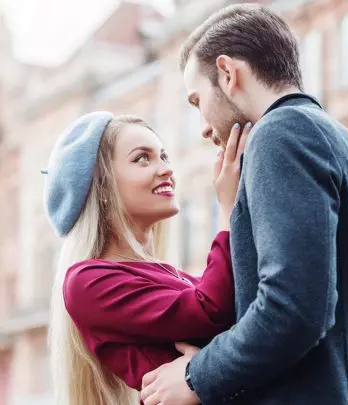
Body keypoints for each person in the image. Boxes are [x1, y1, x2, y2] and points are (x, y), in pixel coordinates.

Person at [141, 3, 348, 405]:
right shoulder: (337, 136)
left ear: (227, 74)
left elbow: (292, 311)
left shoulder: (280, 135)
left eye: (196, 101)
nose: (204, 127)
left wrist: (195, 375)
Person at [42, 111, 251, 405]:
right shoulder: (86, 282)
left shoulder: (169, 274)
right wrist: (230, 209)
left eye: (163, 156)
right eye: (142, 158)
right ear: (101, 188)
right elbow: (213, 309)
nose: (166, 169)